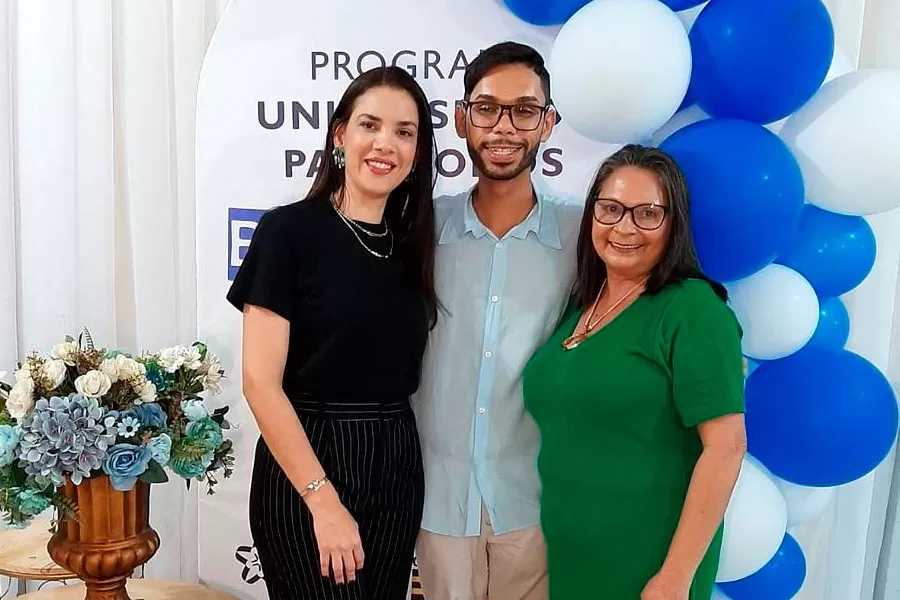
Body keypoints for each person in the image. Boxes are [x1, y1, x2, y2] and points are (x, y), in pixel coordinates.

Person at [226, 66, 438, 600]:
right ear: (340, 135)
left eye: (404, 132)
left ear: (417, 153)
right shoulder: (289, 231)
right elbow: (259, 382)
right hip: (309, 457)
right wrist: (322, 500)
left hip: (395, 459)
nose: (385, 143)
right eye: (370, 124)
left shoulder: (412, 245)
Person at [523, 144, 747, 600]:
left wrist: (675, 578)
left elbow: (726, 448)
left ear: (674, 224)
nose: (624, 227)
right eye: (610, 209)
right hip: (572, 559)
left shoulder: (693, 310)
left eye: (647, 214)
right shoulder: (583, 304)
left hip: (649, 565)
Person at [412, 41, 581, 600]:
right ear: (461, 119)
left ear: (549, 123)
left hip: (534, 500)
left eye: (525, 110)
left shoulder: (585, 238)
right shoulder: (420, 231)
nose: (504, 127)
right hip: (438, 500)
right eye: (487, 108)